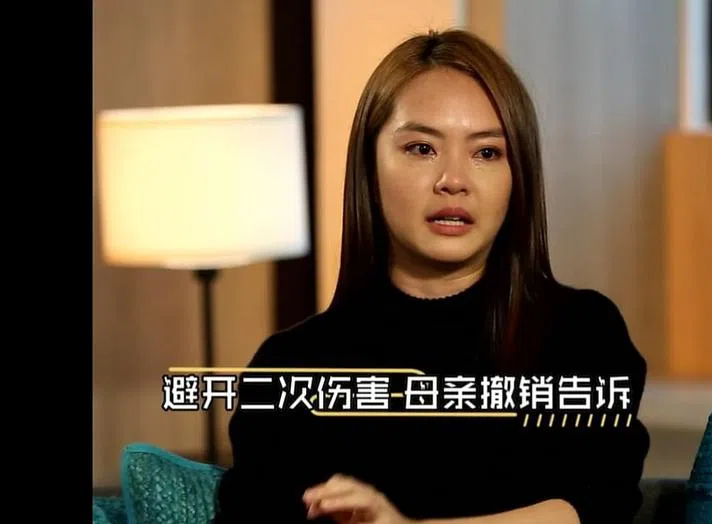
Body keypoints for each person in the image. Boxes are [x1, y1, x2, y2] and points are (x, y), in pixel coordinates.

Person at [212, 29, 650, 524]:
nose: (453, 181)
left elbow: (595, 506)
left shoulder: (581, 332)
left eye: (487, 153)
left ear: (518, 177)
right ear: (369, 167)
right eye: (422, 148)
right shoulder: (291, 367)